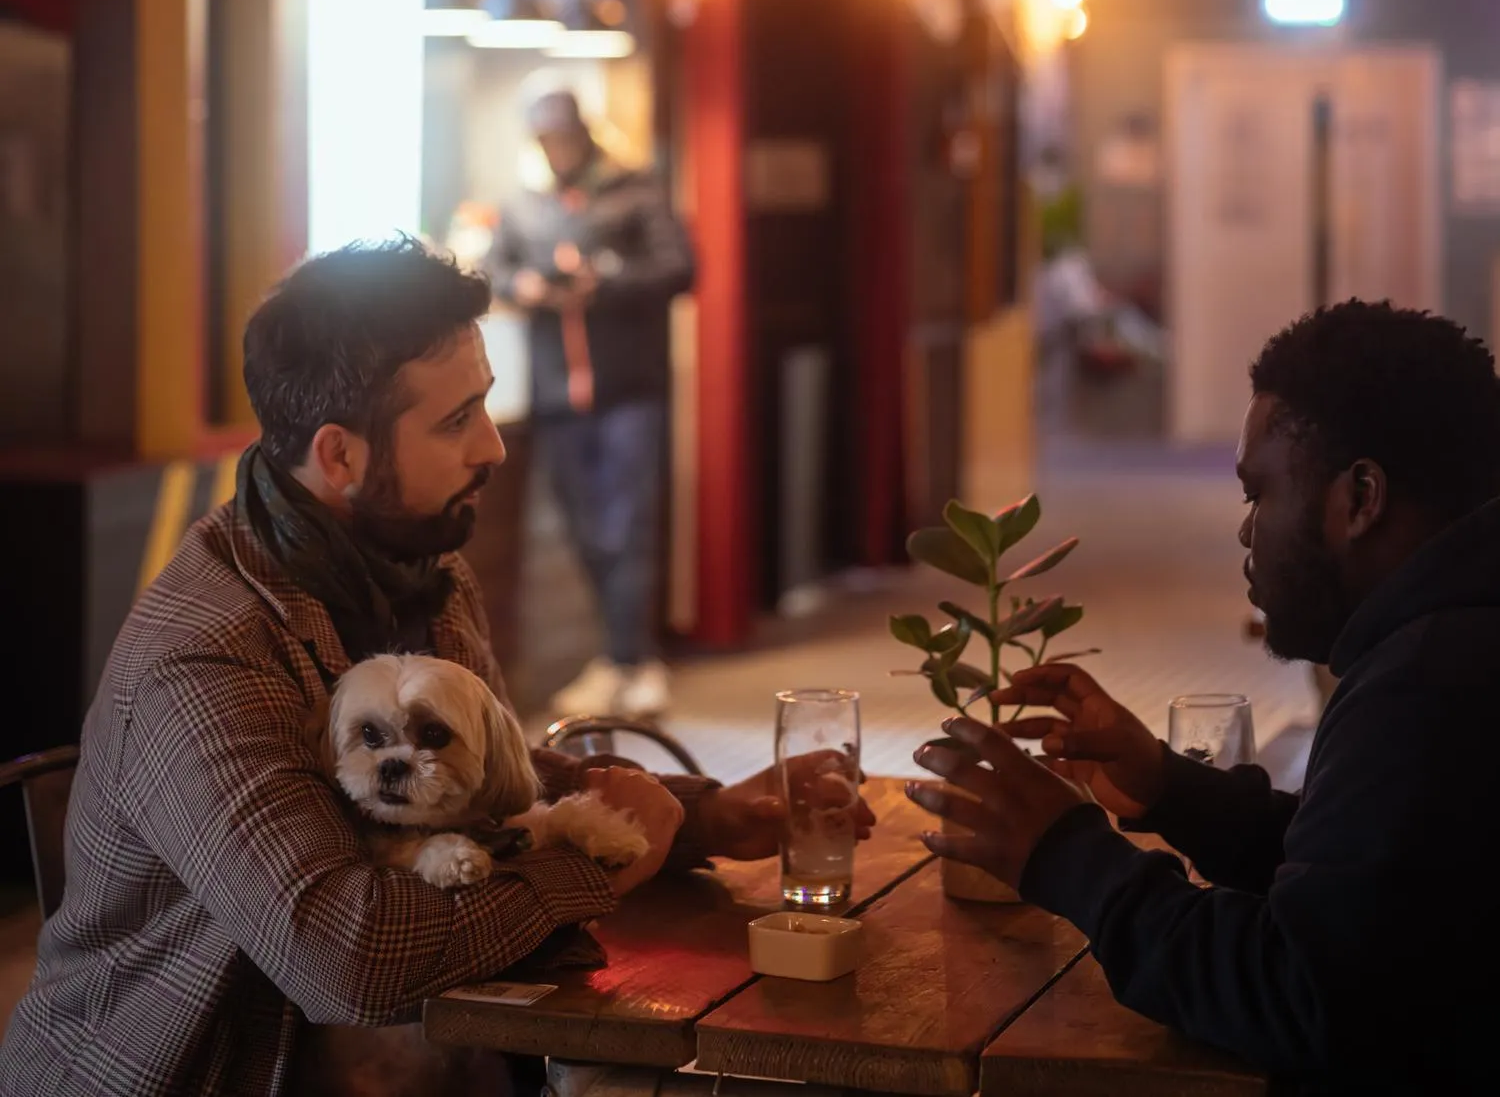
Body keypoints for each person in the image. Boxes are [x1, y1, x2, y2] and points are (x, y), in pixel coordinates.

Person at [0, 241, 869, 1097]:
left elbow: (488, 782)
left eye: (484, 406)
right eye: (456, 420)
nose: (491, 447)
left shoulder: (420, 565)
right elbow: (348, 960)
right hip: (201, 1071)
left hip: (405, 1063)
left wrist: (702, 817)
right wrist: (599, 866)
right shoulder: (207, 654)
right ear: (340, 457)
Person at [908, 301, 1500, 1093]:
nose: (1246, 532)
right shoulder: (1451, 634)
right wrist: (1171, 788)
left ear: (1361, 499)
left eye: (1260, 494)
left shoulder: (1429, 680)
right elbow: (1379, 885)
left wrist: (1067, 855)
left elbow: (1303, 998)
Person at [488, 87, 694, 719]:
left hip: (629, 388)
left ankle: (630, 660)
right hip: (558, 394)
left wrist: (602, 281)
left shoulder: (636, 190)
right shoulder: (524, 209)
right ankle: (622, 656)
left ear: (584, 134)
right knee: (585, 529)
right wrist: (525, 284)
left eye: (565, 136)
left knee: (627, 524)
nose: (557, 149)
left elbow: (681, 268)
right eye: (546, 139)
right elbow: (492, 273)